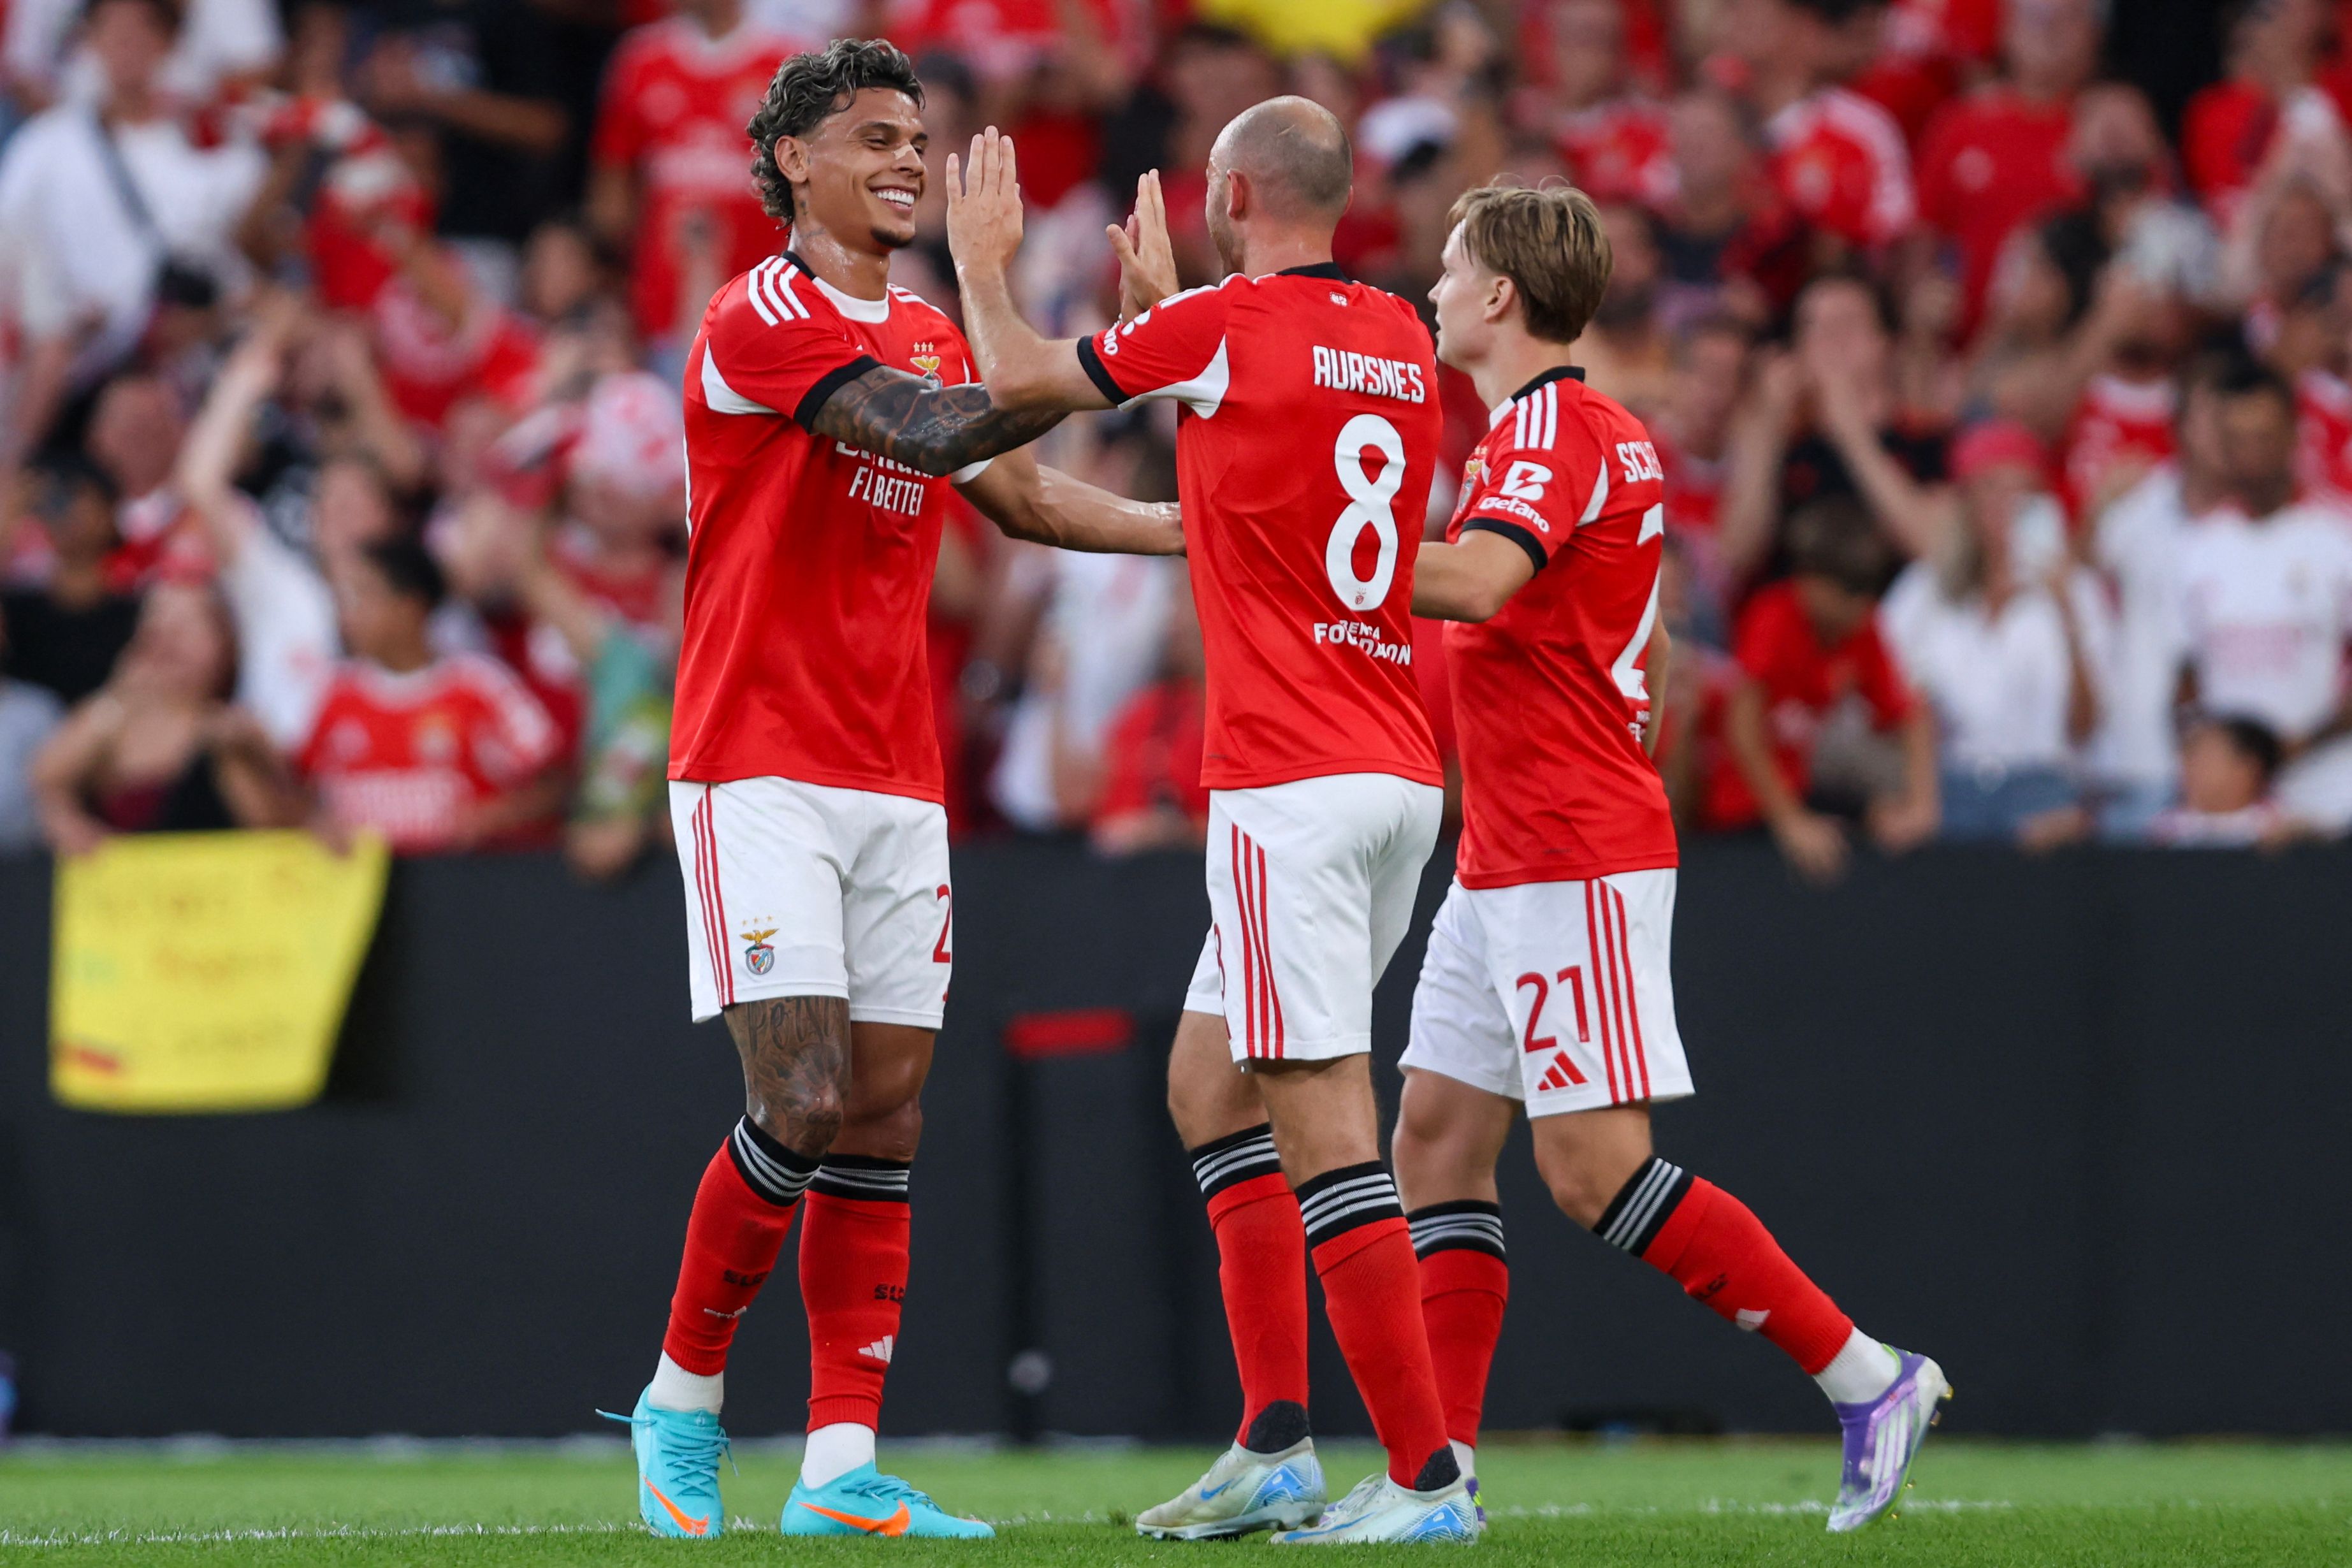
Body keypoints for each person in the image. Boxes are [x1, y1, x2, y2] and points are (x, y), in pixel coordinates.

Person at [616, 38, 1184, 1544]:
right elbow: (927, 434)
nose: (905, 162)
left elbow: (1021, 492)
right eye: (872, 136)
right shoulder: (761, 319)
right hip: (758, 766)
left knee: (884, 1120)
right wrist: (1098, 354)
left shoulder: (935, 333)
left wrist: (1205, 535)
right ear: (789, 156)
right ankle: (682, 1396)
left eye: (915, 140)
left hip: (896, 775)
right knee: (795, 1099)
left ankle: (837, 1465)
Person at [1392, 179, 1947, 1538]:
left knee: (1591, 1174)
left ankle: (1868, 1375)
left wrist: (1291, 550)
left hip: (1572, 852)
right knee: (1438, 1144)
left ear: (1504, 297)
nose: (1438, 287)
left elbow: (1474, 583)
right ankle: (1441, 1484)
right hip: (1512, 848)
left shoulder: (1550, 432)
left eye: (1456, 267)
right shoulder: (1583, 432)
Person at [948, 103, 1470, 1541]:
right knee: (1210, 1085)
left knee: (1321, 1122)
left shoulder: (1227, 325)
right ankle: (1277, 1441)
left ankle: (1429, 1478)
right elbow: (1281, 455)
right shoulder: (1394, 336)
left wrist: (984, 263)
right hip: (1393, 771)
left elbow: (1012, 383)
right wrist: (1178, 319)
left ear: (1232, 193)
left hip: (1289, 778)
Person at [1879, 420, 2112, 842]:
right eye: (1991, 489)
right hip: (1947, 784)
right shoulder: (1925, 589)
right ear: (1965, 501)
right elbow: (1890, 695)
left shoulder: (2079, 590)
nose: (2007, 505)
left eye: (2021, 490)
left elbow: (2087, 726)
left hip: (2041, 786)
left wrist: (2066, 614)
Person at [283, 536, 564, 853]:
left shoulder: (480, 686)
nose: (348, 616)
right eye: (346, 599)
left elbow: (557, 786)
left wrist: (496, 818)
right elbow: (296, 792)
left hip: (464, 887)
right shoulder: (332, 694)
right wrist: (318, 823)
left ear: (410, 607)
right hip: (364, 892)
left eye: (363, 595)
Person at [1710, 496, 1941, 881]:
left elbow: (1911, 714)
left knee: (1882, 817)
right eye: (1849, 594)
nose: (1861, 609)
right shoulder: (1772, 617)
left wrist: (1923, 805)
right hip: (1737, 799)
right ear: (1811, 582)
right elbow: (1742, 729)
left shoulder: (1861, 628)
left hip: (1800, 785)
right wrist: (1791, 822)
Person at [2175, 363, 2352, 834]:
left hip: (2327, 797)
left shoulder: (2337, 539)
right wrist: (2212, 760)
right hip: (2227, 813)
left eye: (2264, 437)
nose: (2251, 455)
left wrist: (2302, 743)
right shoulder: (2197, 548)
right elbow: (2185, 677)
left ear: (2295, 436)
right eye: (2236, 440)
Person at [29, 580, 279, 852]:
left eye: (184, 628)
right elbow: (45, 777)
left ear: (224, 643)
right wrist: (66, 822)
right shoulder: (112, 720)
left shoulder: (233, 731)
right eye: (156, 627)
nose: (167, 639)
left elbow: (273, 827)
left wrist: (252, 757)